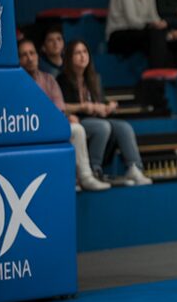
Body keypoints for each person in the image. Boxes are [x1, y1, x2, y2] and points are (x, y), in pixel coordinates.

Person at [57, 40, 152, 186]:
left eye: (85, 52)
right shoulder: (61, 80)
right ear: (69, 57)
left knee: (124, 127)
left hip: (95, 118)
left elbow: (99, 102)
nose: (82, 56)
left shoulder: (94, 78)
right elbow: (60, 106)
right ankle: (95, 170)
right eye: (77, 53)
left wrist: (107, 107)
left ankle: (134, 168)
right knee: (102, 127)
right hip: (77, 120)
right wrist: (83, 107)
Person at [19, 39, 110, 191]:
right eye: (24, 55)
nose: (29, 58)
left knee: (77, 129)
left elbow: (59, 109)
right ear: (18, 60)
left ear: (38, 56)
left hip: (50, 126)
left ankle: (85, 177)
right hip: (28, 130)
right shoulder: (16, 83)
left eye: (32, 53)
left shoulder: (49, 79)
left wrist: (64, 117)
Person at [106, 0, 176, 68]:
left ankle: (168, 73)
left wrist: (163, 27)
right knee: (156, 36)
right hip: (119, 34)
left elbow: (154, 16)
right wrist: (152, 25)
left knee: (173, 37)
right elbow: (132, 21)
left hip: (141, 32)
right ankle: (156, 74)